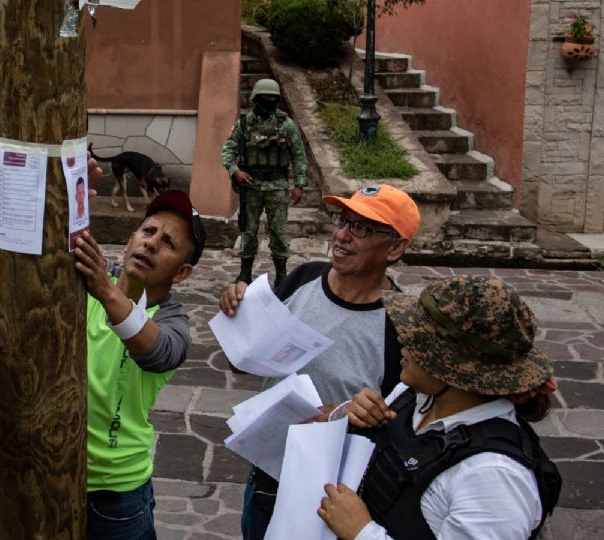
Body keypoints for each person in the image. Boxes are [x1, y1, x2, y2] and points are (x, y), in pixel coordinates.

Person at [219, 184, 421, 540]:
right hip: (267, 476)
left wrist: (347, 413)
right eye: (342, 220)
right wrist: (238, 315)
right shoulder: (304, 278)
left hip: (334, 497)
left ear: (396, 247)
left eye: (361, 228)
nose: (342, 235)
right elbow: (243, 364)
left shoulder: (399, 326)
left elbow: (400, 427)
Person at [318, 275, 561, 540]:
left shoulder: (493, 478)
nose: (403, 340)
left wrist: (362, 532)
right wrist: (348, 413)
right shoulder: (416, 395)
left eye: (419, 339)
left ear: (452, 369)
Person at [74, 189, 207, 539]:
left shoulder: (172, 321)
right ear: (131, 238)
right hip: (49, 470)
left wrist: (106, 291)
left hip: (115, 493)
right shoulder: (86, 280)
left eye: (168, 243)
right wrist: (72, 185)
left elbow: (158, 352)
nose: (151, 243)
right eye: (148, 232)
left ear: (182, 272)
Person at [221, 77, 309, 288]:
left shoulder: (286, 125)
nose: (269, 100)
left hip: (277, 186)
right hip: (251, 186)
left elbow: (298, 155)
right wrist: (235, 172)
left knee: (278, 231)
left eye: (273, 97)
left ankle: (281, 275)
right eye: (265, 97)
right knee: (248, 231)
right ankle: (244, 273)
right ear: (256, 98)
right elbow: (227, 152)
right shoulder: (244, 125)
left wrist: (299, 184)